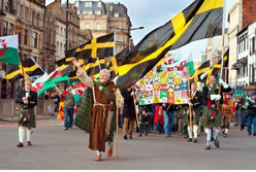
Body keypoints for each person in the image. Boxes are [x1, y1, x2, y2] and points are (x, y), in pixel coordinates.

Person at [72, 58, 124, 161]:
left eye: (104, 75)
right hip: (97, 110)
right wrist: (79, 67)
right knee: (96, 131)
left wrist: (119, 102)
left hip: (108, 111)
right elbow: (85, 79)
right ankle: (98, 153)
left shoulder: (113, 87)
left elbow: (119, 97)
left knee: (107, 132)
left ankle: (110, 145)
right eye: (101, 75)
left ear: (108, 77)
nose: (102, 77)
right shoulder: (95, 84)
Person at [201, 76, 231, 150]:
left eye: (213, 79)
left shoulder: (219, 86)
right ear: (209, 80)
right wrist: (213, 96)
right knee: (208, 125)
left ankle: (215, 137)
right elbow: (204, 96)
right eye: (211, 79)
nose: (212, 80)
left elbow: (229, 89)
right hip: (209, 107)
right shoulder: (205, 87)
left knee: (217, 126)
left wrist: (223, 83)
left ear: (215, 80)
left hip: (217, 108)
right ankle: (208, 142)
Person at [15, 80, 37, 147]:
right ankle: (21, 142)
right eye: (26, 85)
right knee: (21, 125)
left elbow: (35, 102)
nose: (27, 86)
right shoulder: (21, 92)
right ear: (24, 86)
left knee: (29, 126)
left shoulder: (34, 93)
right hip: (23, 110)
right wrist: (22, 100)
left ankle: (28, 140)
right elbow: (16, 100)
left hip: (30, 110)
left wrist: (28, 102)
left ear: (30, 86)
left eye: (28, 85)